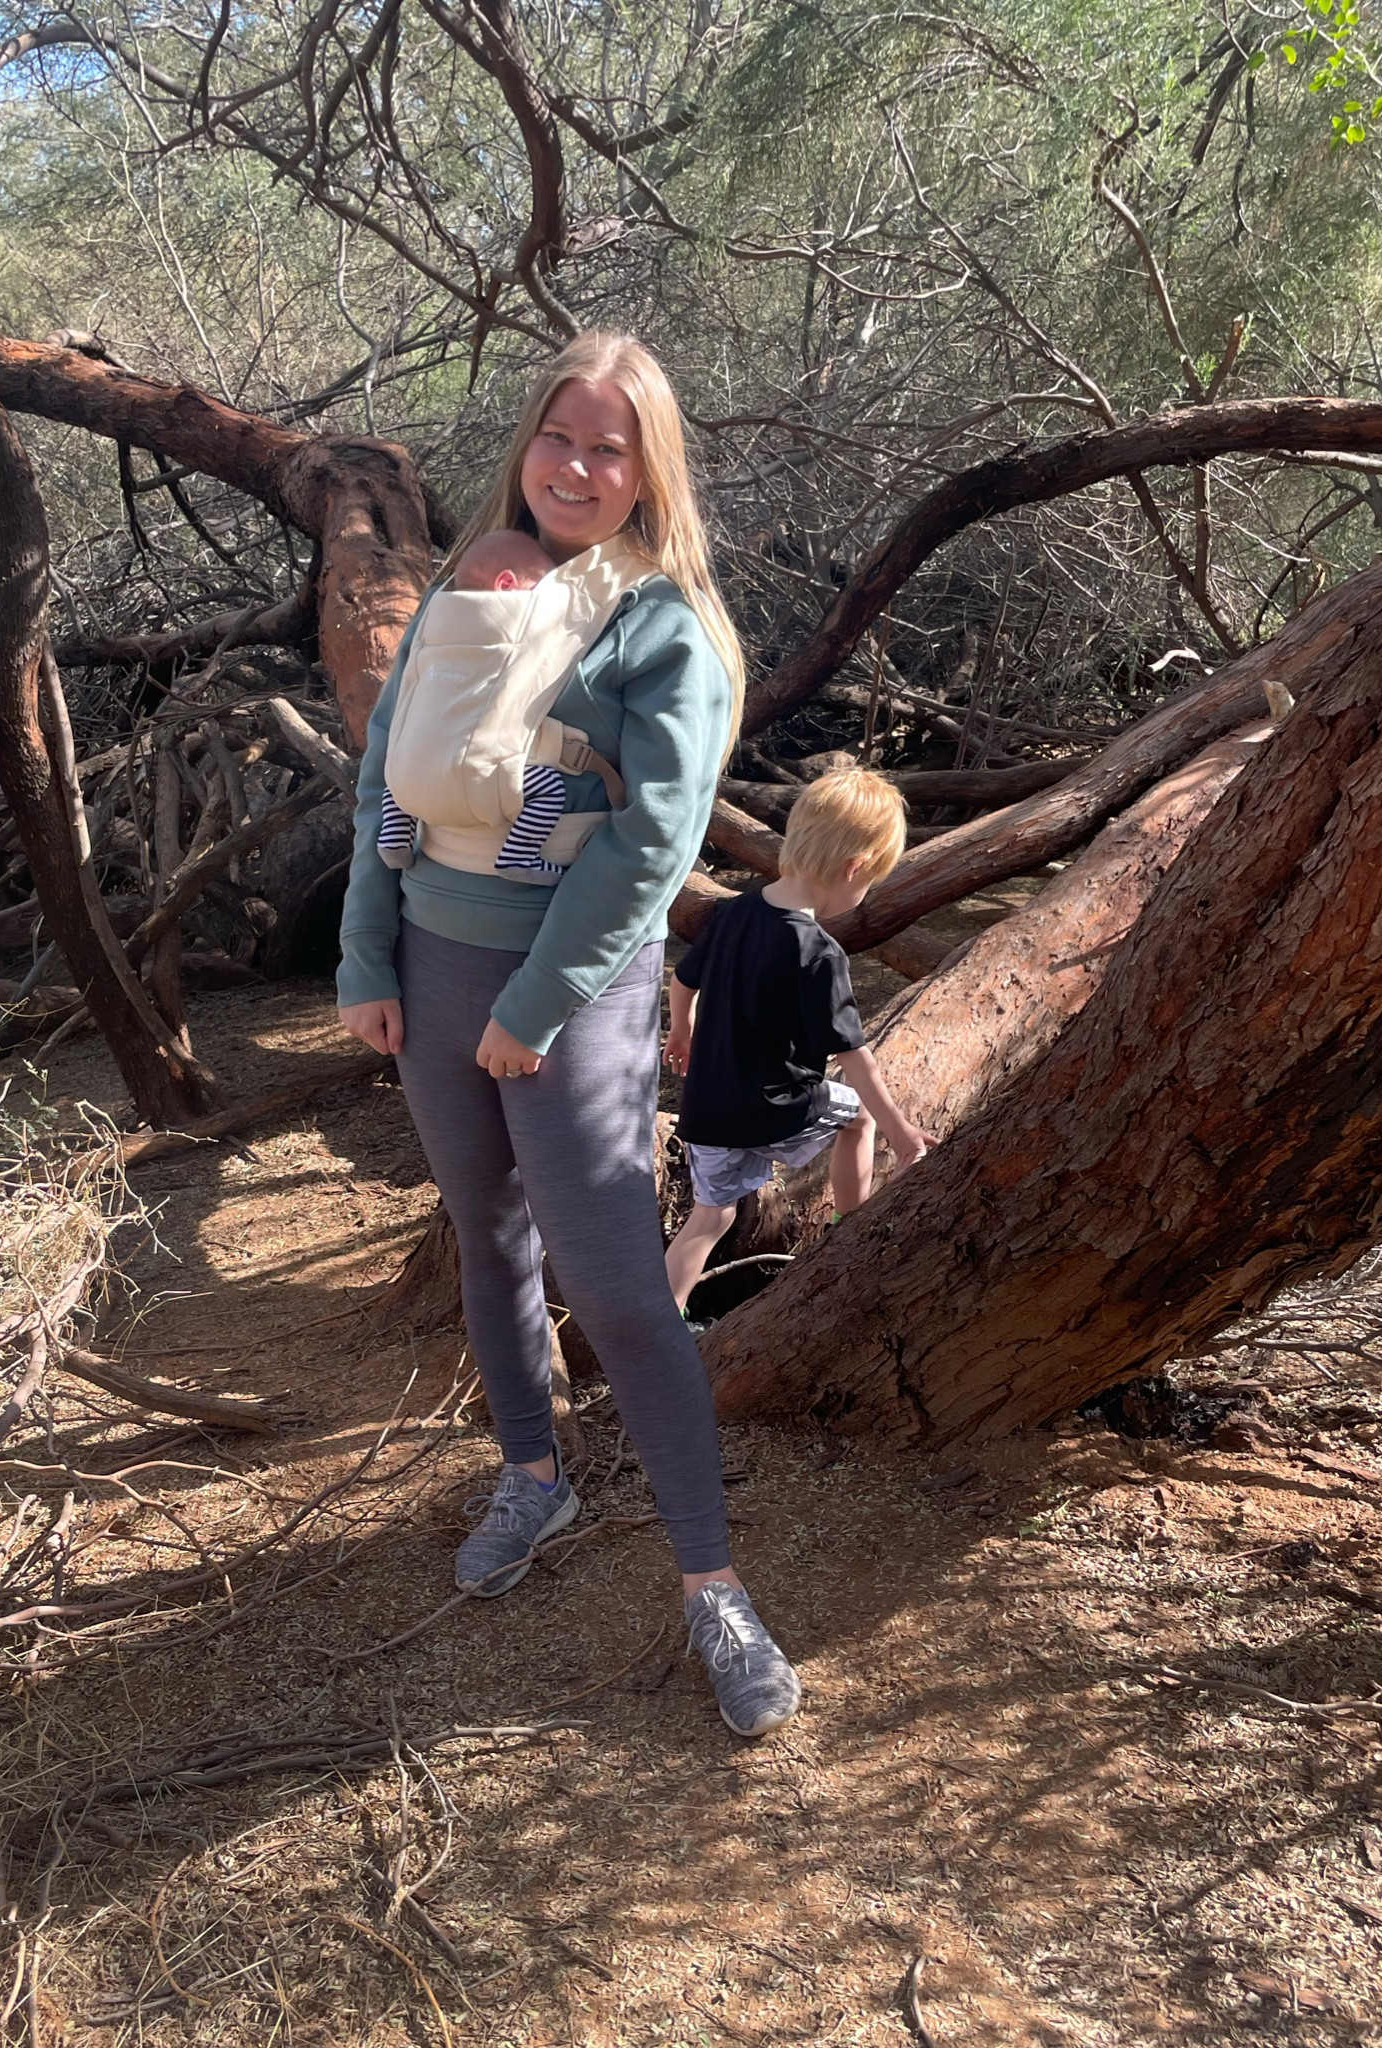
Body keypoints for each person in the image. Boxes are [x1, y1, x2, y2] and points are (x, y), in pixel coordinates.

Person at [337, 331, 803, 1738]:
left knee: (615, 1289)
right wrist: (369, 951)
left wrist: (533, 1009)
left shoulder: (665, 627)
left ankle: (713, 1584)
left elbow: (649, 847)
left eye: (610, 447)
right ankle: (532, 1474)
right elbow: (386, 782)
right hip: (429, 966)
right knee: (488, 1241)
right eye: (560, 438)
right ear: (525, 446)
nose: (579, 467)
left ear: (648, 468)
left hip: (568, 991)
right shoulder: (469, 591)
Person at [663, 768, 936, 1315]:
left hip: (708, 1108)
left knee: (709, 1218)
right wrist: (901, 1133)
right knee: (855, 1117)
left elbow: (682, 979)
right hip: (775, 1108)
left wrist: (682, 1030)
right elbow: (855, 1059)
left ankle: (659, 1320)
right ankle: (847, 1228)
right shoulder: (817, 952)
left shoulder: (733, 911)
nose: (864, 892)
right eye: (869, 882)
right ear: (854, 867)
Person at [376, 530, 571, 879]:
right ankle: (520, 855)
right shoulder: (516, 631)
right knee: (549, 787)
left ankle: (394, 835)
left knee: (402, 767)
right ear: (508, 586)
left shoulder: (434, 622)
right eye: (544, 591)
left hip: (405, 777)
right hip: (475, 779)